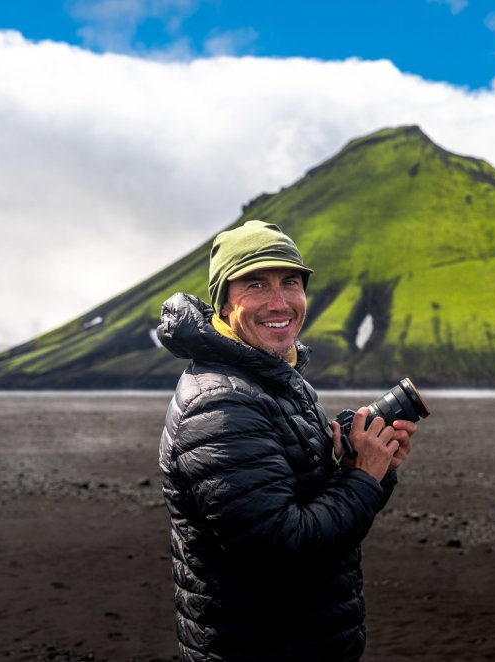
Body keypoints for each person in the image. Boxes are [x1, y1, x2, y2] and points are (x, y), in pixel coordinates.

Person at [157, 220, 417, 661]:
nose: (280, 303)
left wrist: (372, 467)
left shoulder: (277, 381)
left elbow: (318, 510)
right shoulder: (221, 404)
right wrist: (361, 479)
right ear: (223, 303)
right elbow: (283, 547)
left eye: (291, 283)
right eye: (255, 284)